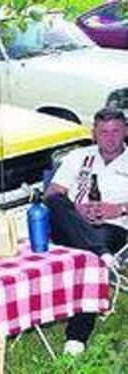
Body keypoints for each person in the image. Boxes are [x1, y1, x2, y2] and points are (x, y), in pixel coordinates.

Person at [45, 107, 128, 355]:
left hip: (112, 228)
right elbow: (53, 194)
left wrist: (119, 209)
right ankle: (99, 252)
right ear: (94, 133)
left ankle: (77, 336)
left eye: (115, 131)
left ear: (125, 131)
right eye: (103, 132)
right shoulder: (78, 157)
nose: (110, 138)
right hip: (70, 224)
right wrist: (77, 210)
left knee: (88, 260)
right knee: (55, 202)